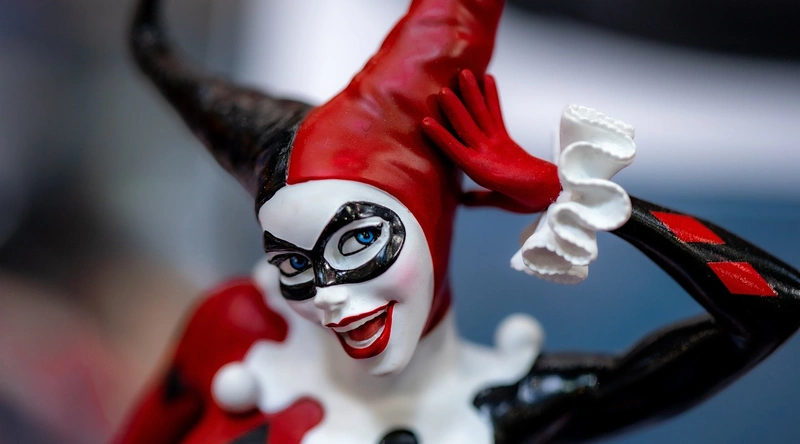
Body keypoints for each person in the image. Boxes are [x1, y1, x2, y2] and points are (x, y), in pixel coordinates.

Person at [117, 0, 800, 442]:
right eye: (294, 261)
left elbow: (775, 304)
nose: (329, 295)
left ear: (433, 221)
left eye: (359, 241)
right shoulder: (238, 332)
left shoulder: (509, 408)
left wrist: (581, 196)